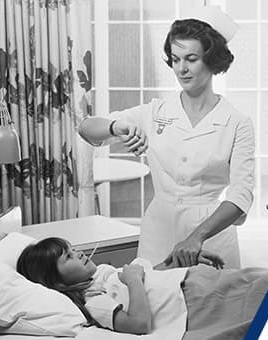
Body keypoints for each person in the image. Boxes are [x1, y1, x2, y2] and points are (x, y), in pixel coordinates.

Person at [78, 7, 254, 269]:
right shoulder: (155, 112)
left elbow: (241, 196)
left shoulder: (237, 122)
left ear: (212, 59)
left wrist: (196, 238)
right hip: (159, 230)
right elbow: (86, 128)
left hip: (211, 236)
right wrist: (116, 127)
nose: (181, 68)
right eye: (175, 59)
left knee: (210, 306)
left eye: (191, 58)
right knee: (152, 301)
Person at [16, 237, 223, 334]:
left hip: (193, 282)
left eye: (73, 248)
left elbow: (148, 276)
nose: (78, 253)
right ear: (57, 282)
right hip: (193, 300)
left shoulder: (101, 274)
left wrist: (177, 262)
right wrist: (133, 280)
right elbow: (139, 324)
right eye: (68, 256)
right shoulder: (95, 301)